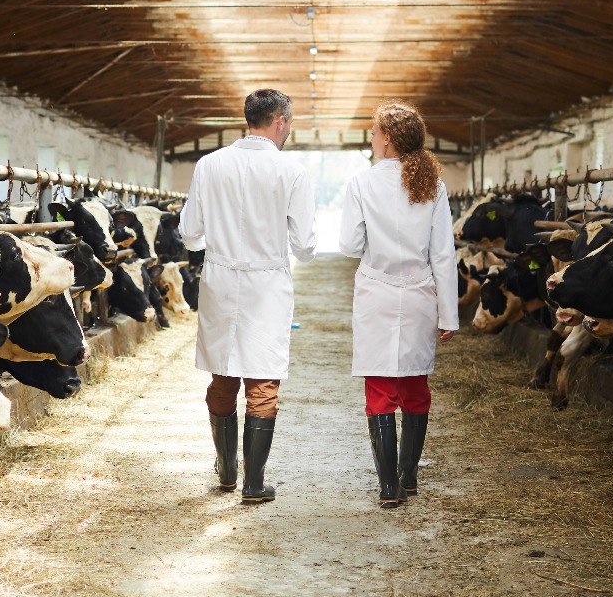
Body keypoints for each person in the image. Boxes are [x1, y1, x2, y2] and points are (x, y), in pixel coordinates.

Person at [178, 89, 317, 504]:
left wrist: (216, 242)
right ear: (280, 121)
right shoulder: (291, 172)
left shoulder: (209, 164)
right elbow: (306, 246)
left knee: (222, 374)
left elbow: (189, 233)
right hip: (267, 283)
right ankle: (254, 484)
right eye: (289, 123)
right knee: (263, 380)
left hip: (220, 278)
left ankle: (226, 471)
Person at [338, 102, 458, 508]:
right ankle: (408, 480)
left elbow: (350, 245)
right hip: (422, 292)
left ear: (387, 139)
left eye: (373, 132)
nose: (371, 139)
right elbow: (444, 254)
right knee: (415, 387)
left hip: (377, 292)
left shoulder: (361, 183)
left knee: (380, 387)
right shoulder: (432, 184)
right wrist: (450, 314)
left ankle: (388, 487)